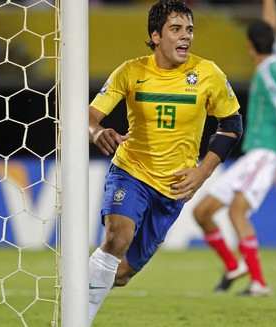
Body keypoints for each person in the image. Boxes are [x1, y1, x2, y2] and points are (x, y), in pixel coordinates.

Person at [87, 0, 242, 324]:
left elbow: (231, 126)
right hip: (131, 171)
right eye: (176, 29)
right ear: (156, 35)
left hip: (174, 187)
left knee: (123, 273)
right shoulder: (132, 71)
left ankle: (80, 291)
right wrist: (95, 130)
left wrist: (202, 172)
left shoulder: (208, 73)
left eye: (189, 30)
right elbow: (90, 115)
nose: (185, 36)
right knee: (117, 237)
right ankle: (77, 319)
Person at [193, 0, 276, 297]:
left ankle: (259, 284)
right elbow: (270, 22)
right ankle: (234, 267)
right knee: (203, 212)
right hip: (256, 154)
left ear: (249, 45)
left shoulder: (270, 74)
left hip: (266, 153)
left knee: (237, 212)